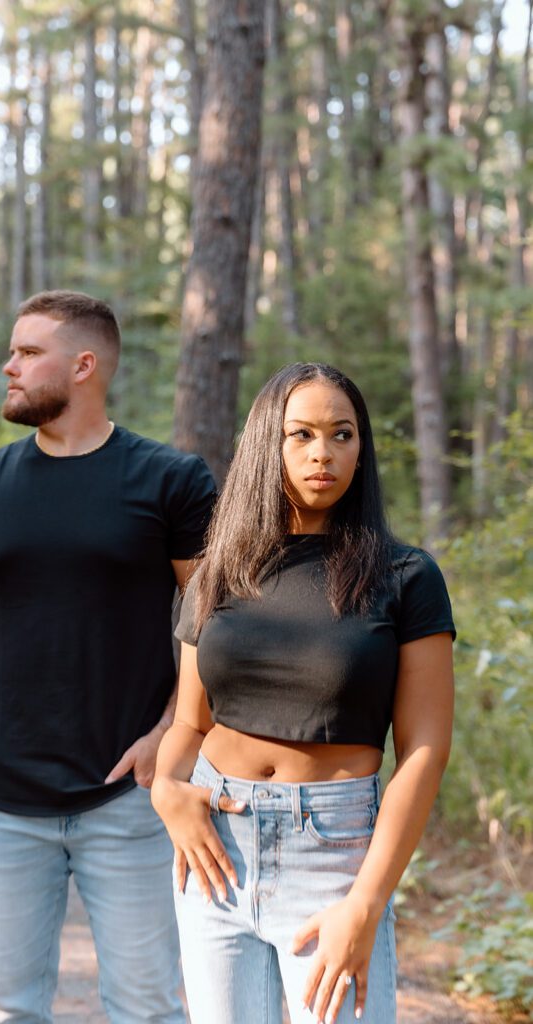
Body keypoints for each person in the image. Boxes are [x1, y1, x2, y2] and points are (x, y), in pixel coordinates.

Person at [0, 290, 215, 1024]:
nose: (7, 366)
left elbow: (216, 614)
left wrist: (173, 733)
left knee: (146, 1007)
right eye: (11, 351)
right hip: (0, 799)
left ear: (83, 366)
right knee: (10, 1009)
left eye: (26, 352)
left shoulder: (170, 480)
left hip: (130, 796)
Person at [151, 362, 455, 1024]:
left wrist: (365, 902)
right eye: (301, 435)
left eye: (341, 434)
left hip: (335, 856)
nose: (323, 453)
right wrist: (166, 790)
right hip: (215, 851)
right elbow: (189, 725)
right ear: (268, 443)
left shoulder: (404, 577)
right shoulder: (216, 575)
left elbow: (425, 750)